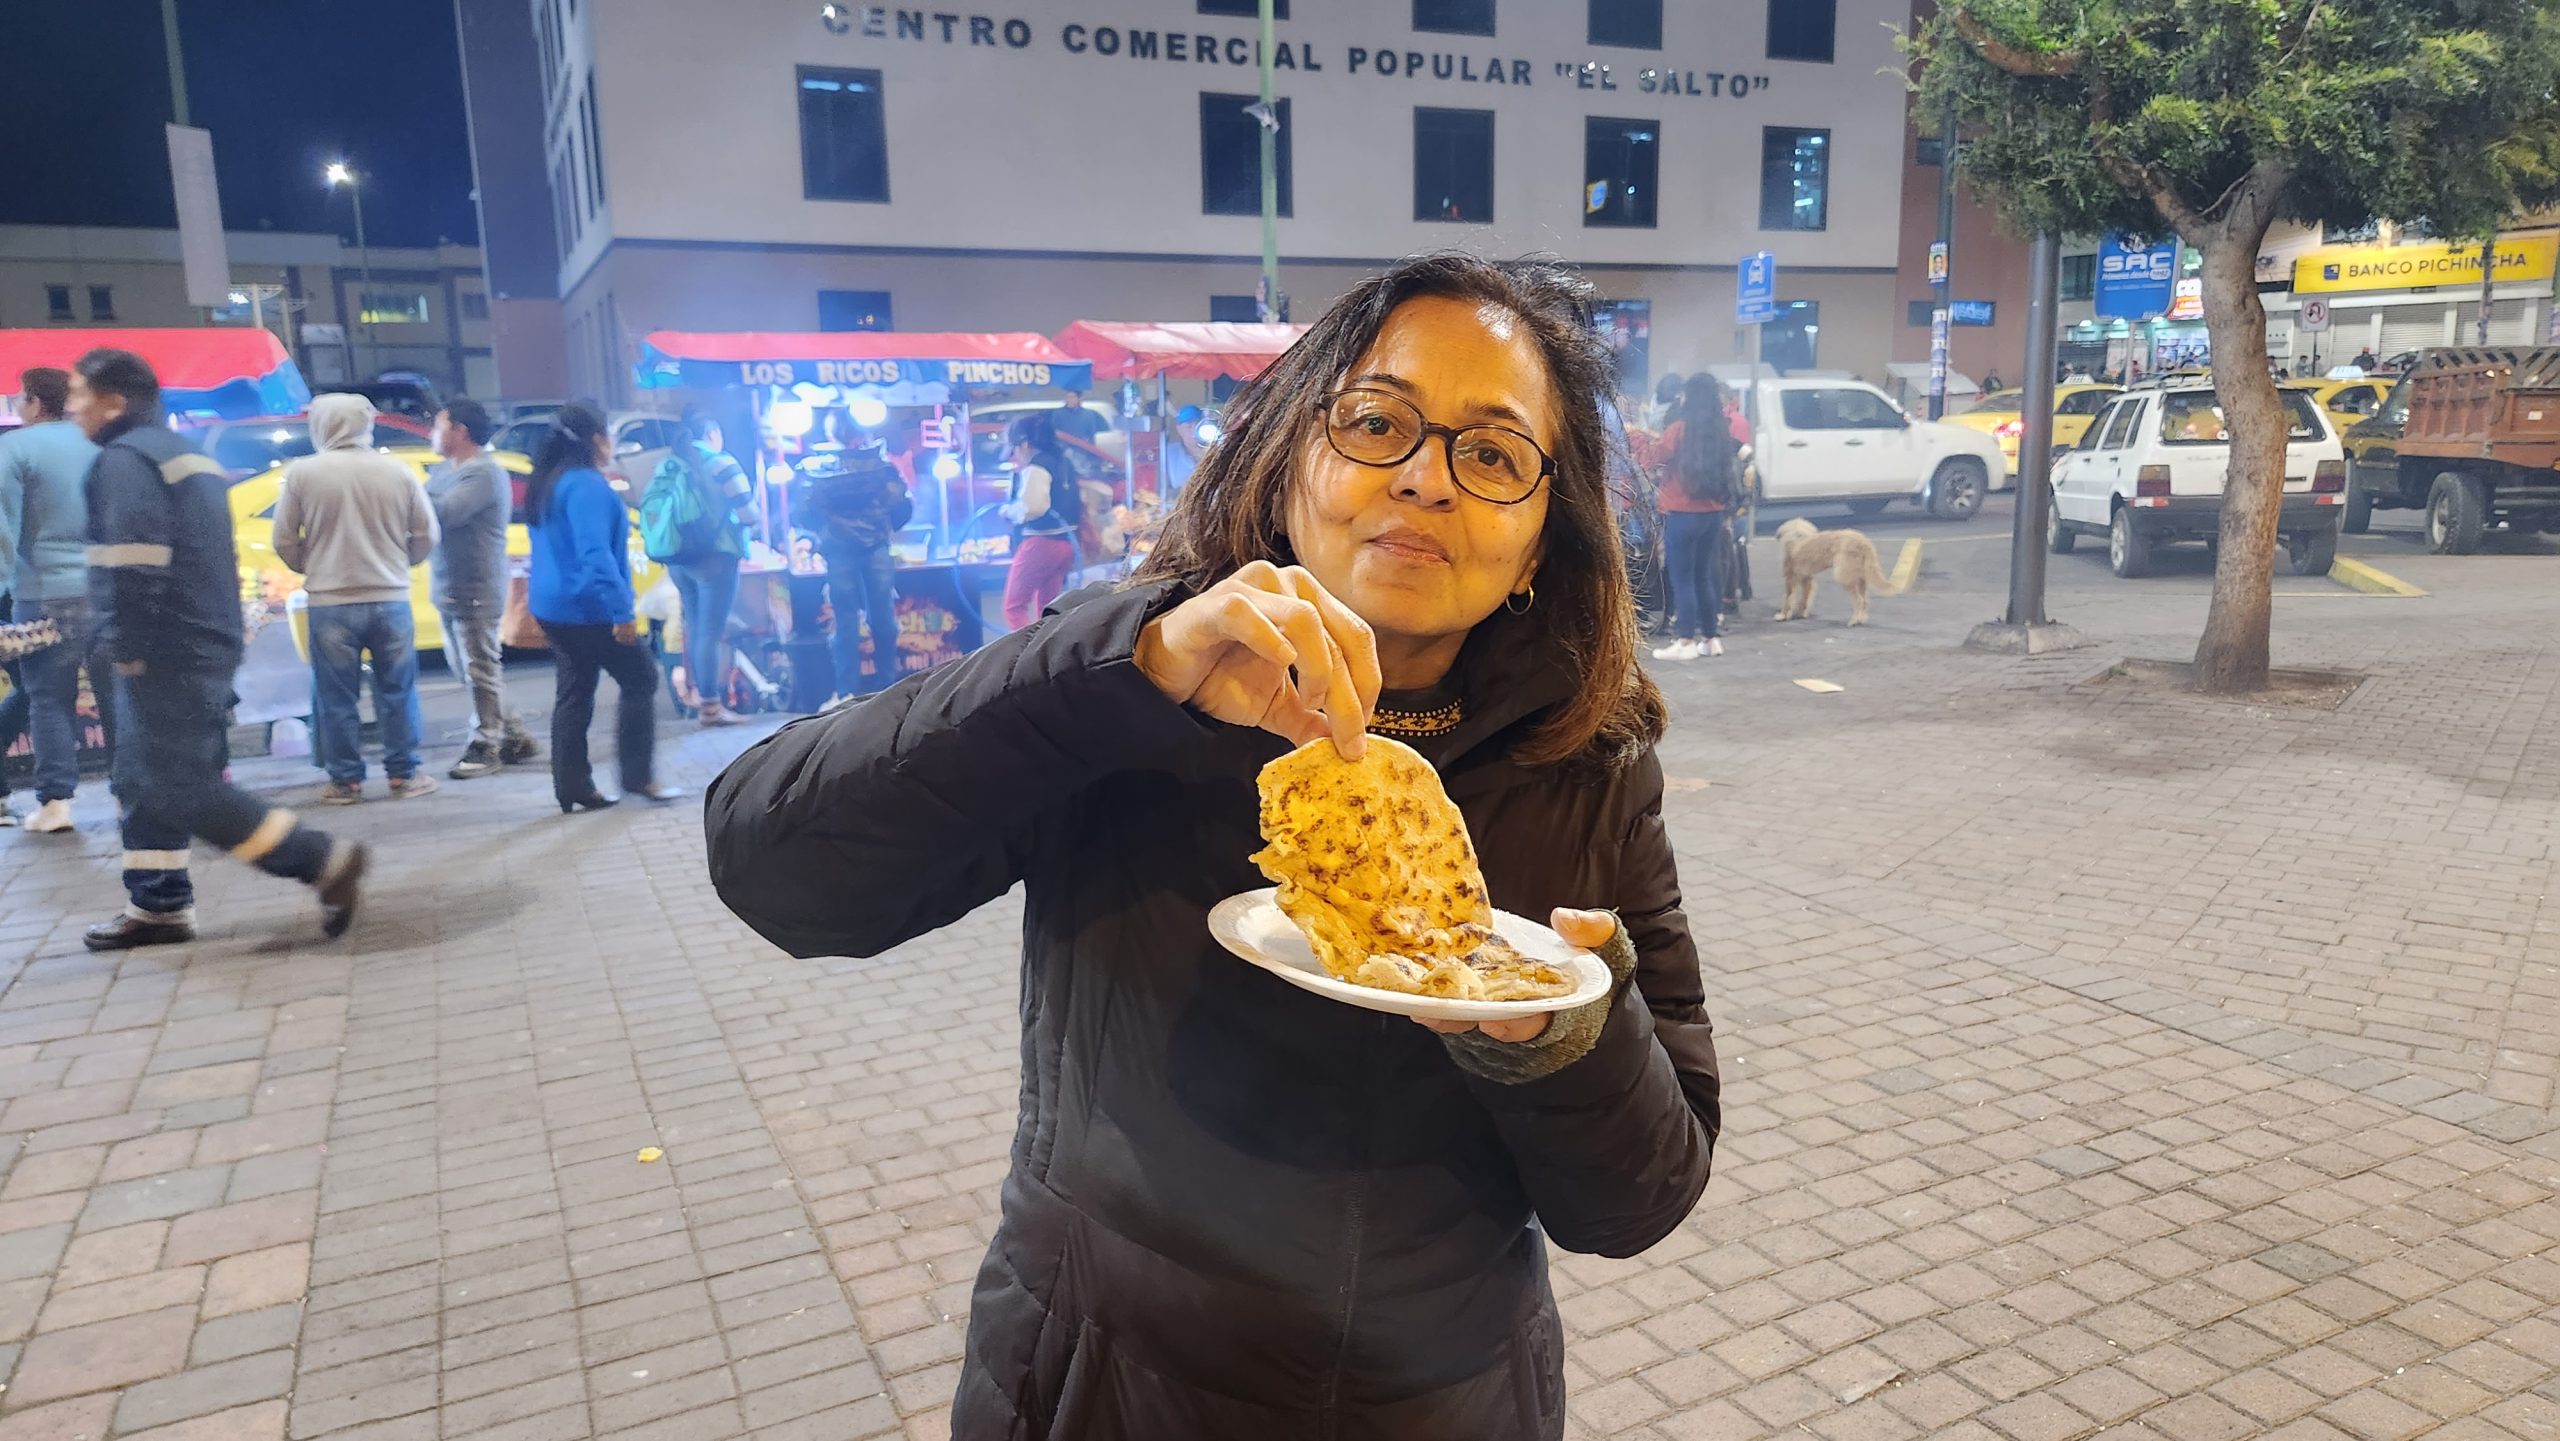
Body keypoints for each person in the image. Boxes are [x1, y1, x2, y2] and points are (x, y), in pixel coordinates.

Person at [706, 254, 1719, 1440]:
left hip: (1445, 1403)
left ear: (1544, 538)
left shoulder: (1586, 766)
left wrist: (1559, 1033)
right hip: (1109, 1384)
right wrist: (1107, 681)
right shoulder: (1126, 683)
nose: (1425, 480)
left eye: (1491, 453)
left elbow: (1640, 1196)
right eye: (1376, 422)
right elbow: (779, 873)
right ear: (1291, 460)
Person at [69, 349, 366, 950]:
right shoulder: (187, 457)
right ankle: (158, 905)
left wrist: (125, 647)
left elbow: (133, 565)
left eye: (79, 394)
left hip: (164, 649)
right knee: (140, 776)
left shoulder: (125, 462)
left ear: (114, 402)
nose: (72, 407)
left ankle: (319, 859)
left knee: (178, 784)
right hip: (203, 640)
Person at [275, 393, 441, 803]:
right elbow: (427, 535)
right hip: (390, 598)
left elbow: (283, 539)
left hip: (329, 602)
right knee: (397, 691)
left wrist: (309, 566)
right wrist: (401, 565)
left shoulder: (303, 474)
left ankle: (345, 782)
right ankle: (404, 776)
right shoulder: (396, 471)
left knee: (336, 697)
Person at [524, 403, 680, 813]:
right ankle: (638, 777)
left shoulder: (548, 482)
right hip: (588, 607)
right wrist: (622, 613)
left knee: (575, 691)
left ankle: (572, 785)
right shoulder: (586, 486)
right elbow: (595, 555)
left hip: (552, 605)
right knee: (641, 678)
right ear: (597, 439)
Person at [0, 368, 100, 832]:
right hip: (105, 590)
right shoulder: (98, 441)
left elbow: (3, 532)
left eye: (20, 399)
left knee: (48, 700)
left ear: (37, 402)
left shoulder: (14, 448)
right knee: (118, 696)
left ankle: (56, 803)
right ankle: (132, 797)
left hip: (42, 595)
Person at [426, 397, 538, 778]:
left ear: (461, 431)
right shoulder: (444, 472)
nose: (433, 434)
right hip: (447, 584)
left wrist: (408, 492)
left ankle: (486, 743)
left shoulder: (484, 474)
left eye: (439, 426)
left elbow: (444, 512)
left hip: (476, 587)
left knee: (480, 668)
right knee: (469, 670)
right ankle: (516, 735)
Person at [662, 405, 758, 726]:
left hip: (678, 560)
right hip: (715, 559)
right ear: (712, 434)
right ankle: (711, 707)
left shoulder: (670, 464)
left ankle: (699, 699)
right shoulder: (721, 462)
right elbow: (749, 514)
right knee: (711, 633)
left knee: (694, 628)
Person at [804, 440, 909, 704]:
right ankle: (888, 687)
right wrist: (885, 528)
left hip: (838, 548)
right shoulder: (882, 469)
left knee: (845, 621)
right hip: (876, 547)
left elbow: (804, 510)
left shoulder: (822, 468)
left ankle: (845, 692)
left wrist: (824, 532)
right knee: (883, 617)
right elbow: (902, 506)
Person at [1649, 374, 1744, 662]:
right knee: (1704, 575)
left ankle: (1685, 640)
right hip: (1712, 514)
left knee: (1682, 577)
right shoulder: (1719, 430)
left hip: (1682, 512)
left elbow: (1655, 457)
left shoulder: (1679, 429)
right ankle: (1711, 638)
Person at [998, 412, 1080, 629]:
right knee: (1048, 608)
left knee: (1014, 607)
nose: (1015, 455)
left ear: (1025, 444)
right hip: (1066, 544)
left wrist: (1008, 512)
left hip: (1040, 544)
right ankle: (1049, 656)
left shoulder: (1036, 466)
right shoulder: (1063, 461)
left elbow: (1032, 507)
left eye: (1014, 449)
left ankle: (1027, 657)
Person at [1160, 404, 1207, 498]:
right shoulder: (1169, 454)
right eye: (1189, 426)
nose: (1194, 430)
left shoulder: (1214, 451)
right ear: (1179, 429)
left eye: (1198, 425)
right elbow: (1161, 494)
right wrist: (1184, 490)